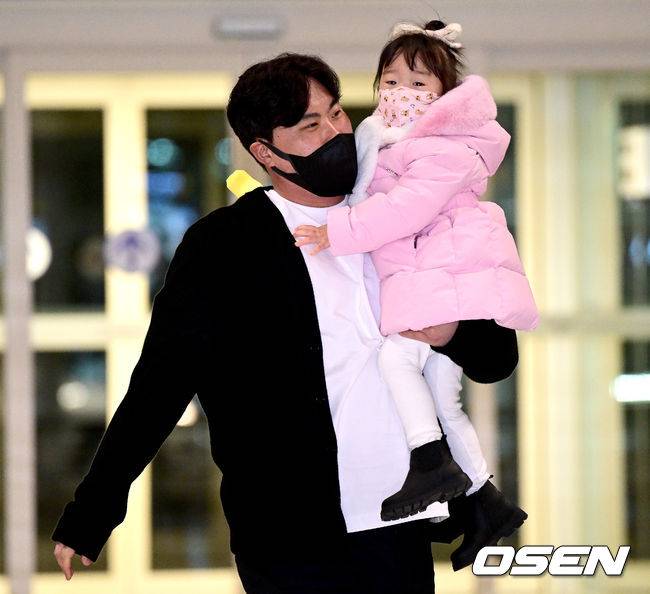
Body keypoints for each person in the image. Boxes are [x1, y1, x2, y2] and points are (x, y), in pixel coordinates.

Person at [52, 50, 519, 592]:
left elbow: (496, 358)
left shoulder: (405, 214)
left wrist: (452, 332)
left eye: (337, 112)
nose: (336, 132)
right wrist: (91, 512)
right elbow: (160, 384)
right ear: (265, 152)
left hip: (399, 524)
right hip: (288, 535)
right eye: (310, 125)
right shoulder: (224, 246)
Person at [292, 19, 537, 569]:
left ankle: (429, 462)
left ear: (445, 95)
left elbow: (404, 210)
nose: (401, 92)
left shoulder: (442, 148)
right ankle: (485, 503)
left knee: (397, 363)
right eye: (391, 80)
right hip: (435, 286)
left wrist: (338, 233)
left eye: (419, 83)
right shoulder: (384, 141)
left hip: (445, 288)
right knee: (443, 401)